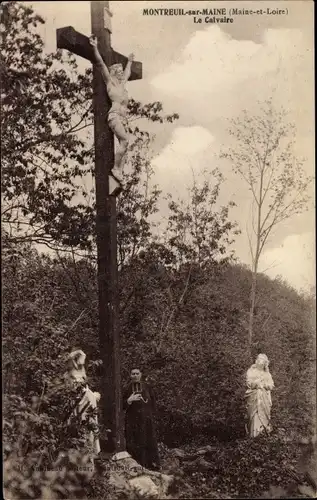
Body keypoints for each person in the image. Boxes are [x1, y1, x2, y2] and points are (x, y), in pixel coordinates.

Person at [89, 35, 134, 184]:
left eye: (122, 72)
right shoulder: (110, 83)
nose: (121, 74)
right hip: (114, 116)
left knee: (125, 144)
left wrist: (130, 62)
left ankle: (118, 171)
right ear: (114, 72)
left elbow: (128, 73)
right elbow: (101, 64)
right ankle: (116, 169)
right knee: (125, 140)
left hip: (123, 119)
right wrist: (94, 47)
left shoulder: (122, 85)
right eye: (119, 72)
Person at [123, 368, 160, 470]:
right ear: (130, 375)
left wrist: (152, 416)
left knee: (148, 441)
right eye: (133, 373)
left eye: (137, 373)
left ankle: (151, 466)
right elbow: (121, 405)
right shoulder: (127, 388)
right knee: (134, 442)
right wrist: (129, 400)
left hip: (146, 420)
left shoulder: (147, 387)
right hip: (132, 421)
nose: (135, 375)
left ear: (140, 375)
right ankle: (137, 466)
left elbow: (153, 402)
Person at [67, 349, 101, 457]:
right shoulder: (72, 373)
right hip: (80, 404)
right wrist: (92, 394)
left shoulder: (82, 372)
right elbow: (78, 390)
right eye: (81, 360)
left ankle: (89, 452)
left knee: (89, 427)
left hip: (87, 404)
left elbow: (85, 388)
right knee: (82, 426)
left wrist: (92, 395)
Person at [245, 353, 274, 438]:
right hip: (254, 398)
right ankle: (253, 437)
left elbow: (271, 385)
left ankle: (263, 437)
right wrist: (257, 383)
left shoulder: (267, 374)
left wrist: (265, 385)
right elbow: (249, 383)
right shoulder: (251, 371)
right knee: (254, 416)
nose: (260, 361)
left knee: (264, 416)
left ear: (265, 363)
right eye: (259, 359)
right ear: (256, 361)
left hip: (264, 398)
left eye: (262, 360)